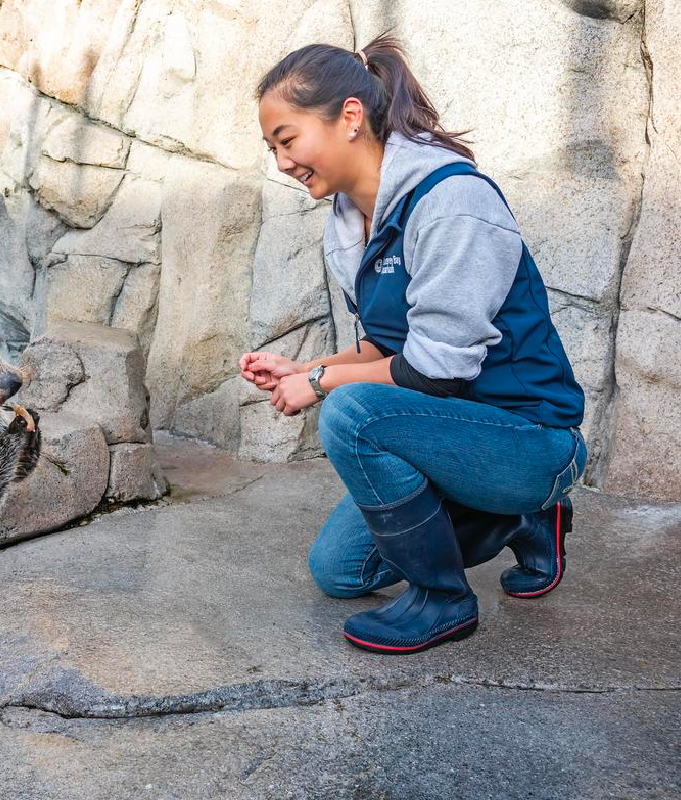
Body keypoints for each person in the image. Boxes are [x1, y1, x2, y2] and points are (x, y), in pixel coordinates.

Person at [240, 33, 587, 654]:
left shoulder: (452, 201)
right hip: (452, 435)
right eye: (272, 148)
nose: (283, 163)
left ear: (349, 117)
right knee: (340, 573)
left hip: (531, 440)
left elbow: (431, 373)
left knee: (351, 415)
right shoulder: (349, 222)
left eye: (288, 140)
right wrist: (306, 366)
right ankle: (517, 519)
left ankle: (444, 599)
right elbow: (382, 350)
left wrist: (319, 386)